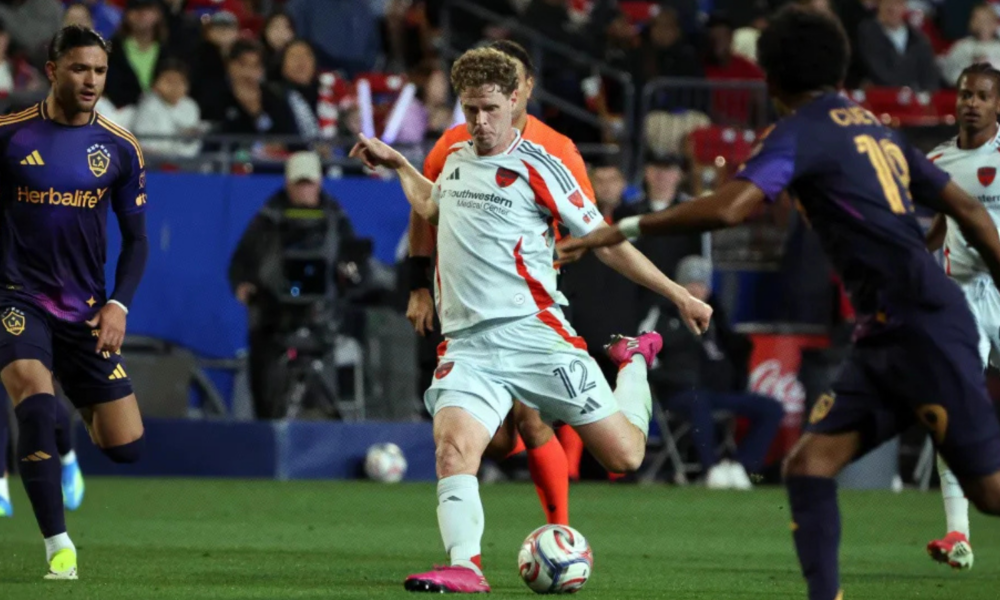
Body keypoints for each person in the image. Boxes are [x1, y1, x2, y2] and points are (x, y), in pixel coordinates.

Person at [557, 7, 1000, 600]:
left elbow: (729, 207)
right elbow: (969, 211)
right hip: (892, 329)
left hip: (920, 326)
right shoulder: (872, 127)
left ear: (771, 77)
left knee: (990, 493)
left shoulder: (801, 132)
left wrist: (625, 226)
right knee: (809, 467)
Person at [350, 47, 711, 594]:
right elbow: (432, 205)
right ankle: (465, 565)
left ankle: (632, 360)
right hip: (468, 345)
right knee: (453, 450)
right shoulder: (454, 157)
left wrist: (677, 293)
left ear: (515, 99)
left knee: (625, 455)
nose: (480, 122)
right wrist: (399, 164)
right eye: (470, 109)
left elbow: (605, 242)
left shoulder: (543, 165)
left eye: (491, 108)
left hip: (536, 336)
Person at [407, 40, 589, 527]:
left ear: (523, 88)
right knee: (496, 437)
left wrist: (558, 255)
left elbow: (588, 229)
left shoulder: (558, 150)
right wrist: (417, 284)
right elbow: (425, 208)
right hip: (463, 307)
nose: (482, 114)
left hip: (523, 304)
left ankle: (560, 529)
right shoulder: (454, 144)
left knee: (532, 421)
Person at [0, 25, 148, 580]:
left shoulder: (119, 148)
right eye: (81, 69)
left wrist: (119, 306)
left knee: (125, 446)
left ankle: (65, 429)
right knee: (33, 399)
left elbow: (137, 240)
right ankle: (59, 546)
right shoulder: (10, 135)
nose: (91, 81)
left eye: (100, 71)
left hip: (85, 311)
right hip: (17, 296)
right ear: (53, 69)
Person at [922, 61, 1000, 570]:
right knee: (953, 407)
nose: (971, 102)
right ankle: (957, 533)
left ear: (998, 105)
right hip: (963, 295)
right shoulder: (937, 161)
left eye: (983, 96)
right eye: (965, 94)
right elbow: (936, 227)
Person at [228, 151, 356, 420]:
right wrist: (244, 285)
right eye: (299, 183)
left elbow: (353, 259)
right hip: (273, 321)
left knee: (326, 389)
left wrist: (348, 272)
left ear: (319, 182)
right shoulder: (268, 218)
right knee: (268, 392)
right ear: (288, 183)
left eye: (309, 182)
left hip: (322, 319)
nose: (305, 189)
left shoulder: (336, 217)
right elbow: (241, 262)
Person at [652, 255, 784, 490]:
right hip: (677, 393)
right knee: (698, 401)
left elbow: (732, 356)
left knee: (770, 408)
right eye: (690, 284)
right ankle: (710, 469)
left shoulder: (716, 319)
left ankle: (740, 468)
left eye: (701, 284)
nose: (696, 290)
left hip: (713, 392)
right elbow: (645, 359)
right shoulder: (662, 316)